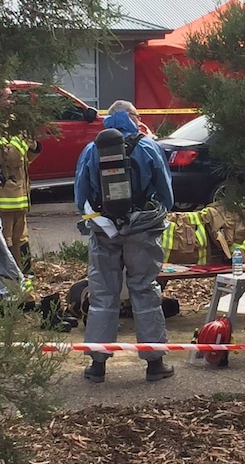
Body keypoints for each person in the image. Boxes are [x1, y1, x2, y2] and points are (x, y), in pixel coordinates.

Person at [74, 99, 175, 383]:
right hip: (142, 230)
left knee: (103, 293)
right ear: (132, 117)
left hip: (104, 231)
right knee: (144, 289)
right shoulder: (147, 146)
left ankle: (97, 365)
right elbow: (166, 194)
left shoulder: (92, 150)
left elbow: (80, 196)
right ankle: (155, 364)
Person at [0, 87, 42, 275]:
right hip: (0, 199)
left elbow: (24, 159)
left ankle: (25, 294)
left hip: (18, 197)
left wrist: (30, 144)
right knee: (4, 247)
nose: (12, 102)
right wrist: (23, 138)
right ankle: (5, 295)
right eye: (8, 98)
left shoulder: (11, 124)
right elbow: (9, 157)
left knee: (21, 245)